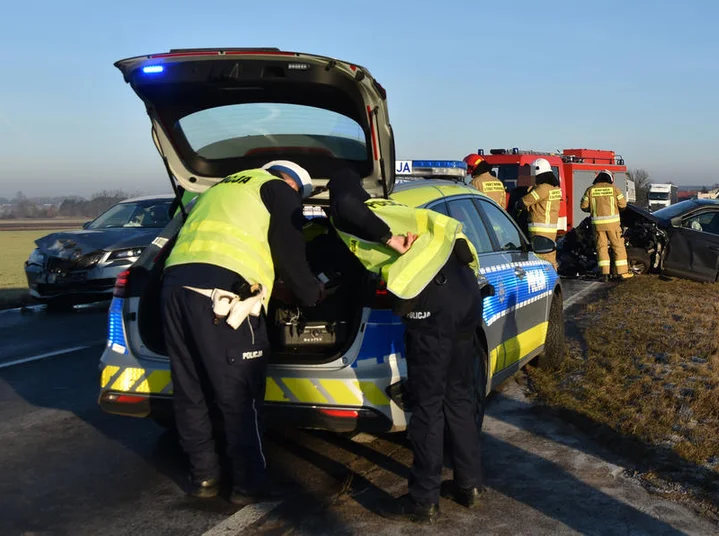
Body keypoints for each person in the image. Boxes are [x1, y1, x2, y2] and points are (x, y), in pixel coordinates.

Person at [328, 163, 485, 524]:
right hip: (464, 291)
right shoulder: (395, 208)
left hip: (434, 302)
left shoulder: (356, 212)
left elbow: (347, 207)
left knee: (427, 405)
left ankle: (423, 500)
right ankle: (470, 485)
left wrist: (389, 241)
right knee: (457, 396)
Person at [161, 160, 324, 504]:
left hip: (174, 289)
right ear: (295, 185)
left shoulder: (217, 190)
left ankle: (203, 478)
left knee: (191, 390)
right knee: (240, 395)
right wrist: (312, 294)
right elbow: (290, 251)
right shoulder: (278, 190)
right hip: (224, 298)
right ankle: (248, 485)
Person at [580, 170, 633, 280]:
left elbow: (583, 206)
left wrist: (594, 209)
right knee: (618, 247)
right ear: (610, 179)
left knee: (601, 248)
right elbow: (623, 205)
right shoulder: (614, 189)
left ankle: (604, 274)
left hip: (597, 225)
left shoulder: (590, 190)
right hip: (613, 225)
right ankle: (621, 273)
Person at [519, 157, 562, 269]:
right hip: (550, 230)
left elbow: (524, 201)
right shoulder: (555, 188)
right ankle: (554, 280)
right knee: (550, 258)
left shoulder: (542, 188)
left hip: (539, 231)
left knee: (539, 260)